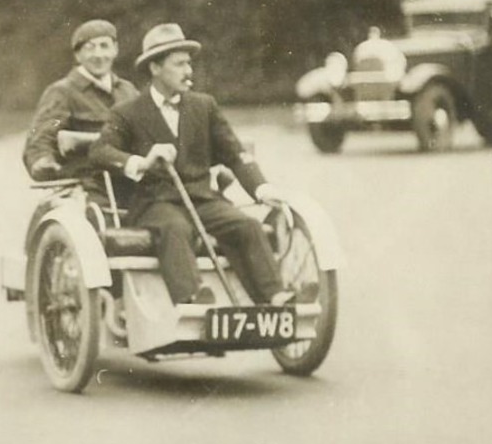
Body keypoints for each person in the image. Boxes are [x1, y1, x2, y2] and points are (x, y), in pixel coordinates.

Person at [88, 23, 297, 308]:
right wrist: (142, 162)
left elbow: (235, 154)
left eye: (189, 63)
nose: (189, 72)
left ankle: (275, 297)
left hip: (203, 200)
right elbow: (99, 151)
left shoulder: (204, 106)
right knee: (175, 228)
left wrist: (261, 189)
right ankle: (193, 300)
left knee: (246, 225)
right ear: (155, 68)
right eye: (180, 64)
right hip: (155, 204)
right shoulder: (127, 112)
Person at [23, 19, 138, 184]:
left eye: (104, 46)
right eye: (90, 48)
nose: (98, 55)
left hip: (130, 181)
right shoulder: (62, 92)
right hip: (85, 182)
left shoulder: (128, 91)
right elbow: (43, 136)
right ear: (78, 55)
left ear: (115, 50)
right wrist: (43, 161)